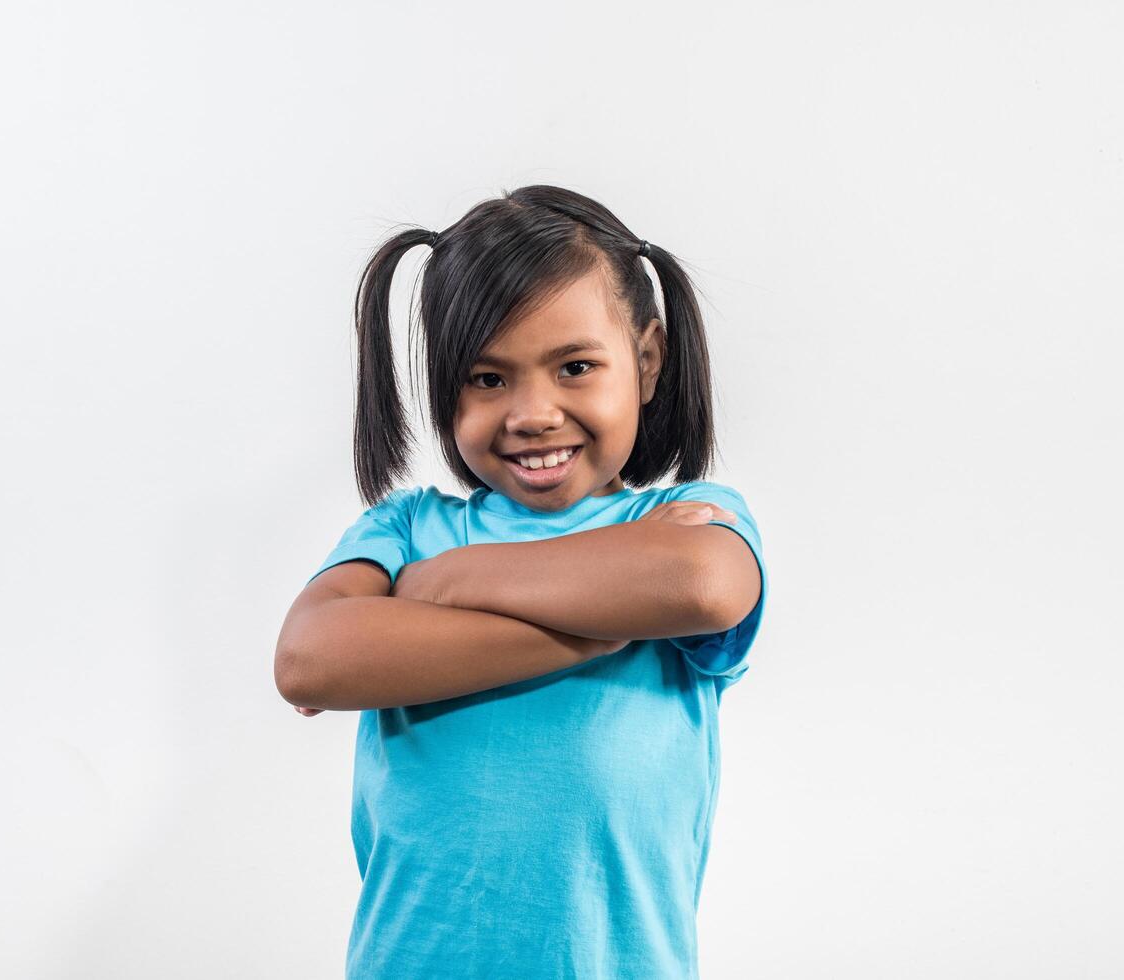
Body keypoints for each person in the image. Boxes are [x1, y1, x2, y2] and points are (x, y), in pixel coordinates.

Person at [273, 184, 767, 979]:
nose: (532, 413)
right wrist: (601, 627)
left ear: (644, 362)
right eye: (487, 378)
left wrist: (449, 584)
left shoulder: (682, 518)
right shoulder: (405, 530)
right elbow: (309, 661)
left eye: (575, 366)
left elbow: (704, 587)